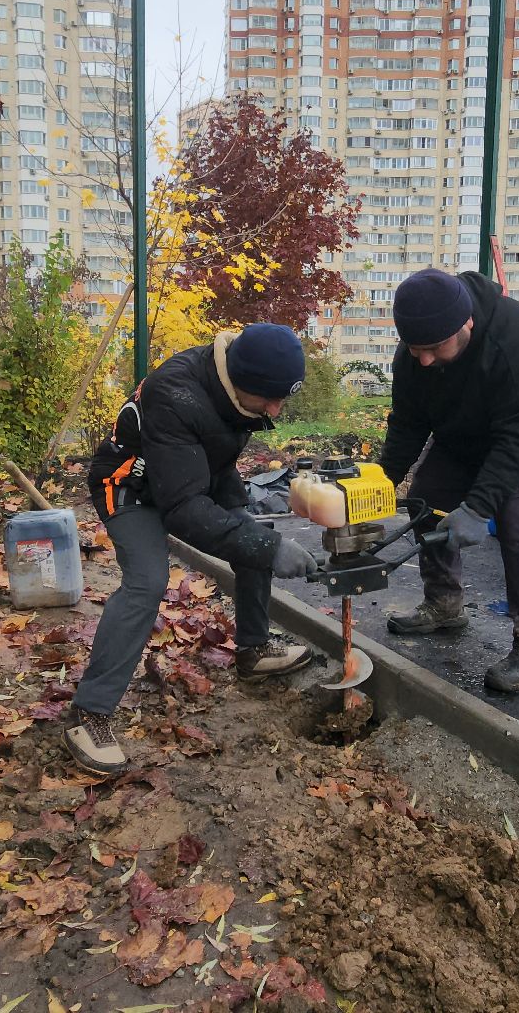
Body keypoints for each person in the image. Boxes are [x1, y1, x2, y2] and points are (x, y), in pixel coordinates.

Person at [65, 324, 320, 775]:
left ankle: (253, 651)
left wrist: (251, 529)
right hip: (129, 485)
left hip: (183, 478)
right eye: (270, 397)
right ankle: (90, 713)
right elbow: (182, 508)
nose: (277, 410)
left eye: (284, 397)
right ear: (239, 380)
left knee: (250, 533)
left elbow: (211, 457)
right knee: (148, 580)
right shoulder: (176, 392)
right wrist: (266, 545)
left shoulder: (235, 390)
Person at [376, 268, 519, 693]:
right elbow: (407, 424)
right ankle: (445, 603)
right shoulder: (416, 355)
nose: (423, 360)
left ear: (466, 323)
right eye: (415, 348)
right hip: (468, 427)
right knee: (426, 498)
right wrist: (381, 483)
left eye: (434, 348)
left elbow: (517, 438)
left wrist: (477, 507)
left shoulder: (518, 341)